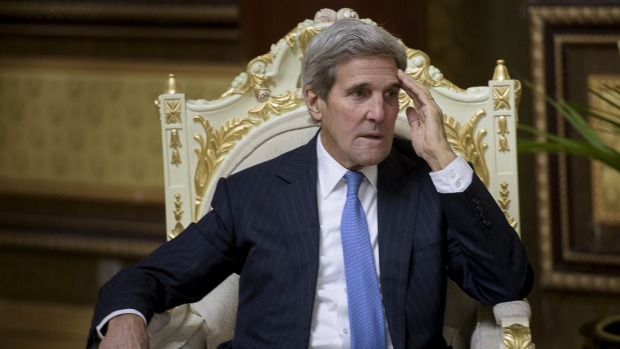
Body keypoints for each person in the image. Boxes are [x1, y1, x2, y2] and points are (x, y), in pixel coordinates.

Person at [87, 18, 533, 349]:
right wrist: (127, 318)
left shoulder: (429, 186)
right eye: (359, 93)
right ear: (315, 102)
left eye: (390, 95)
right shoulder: (253, 194)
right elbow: (148, 278)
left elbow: (506, 283)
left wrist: (442, 157)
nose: (378, 113)